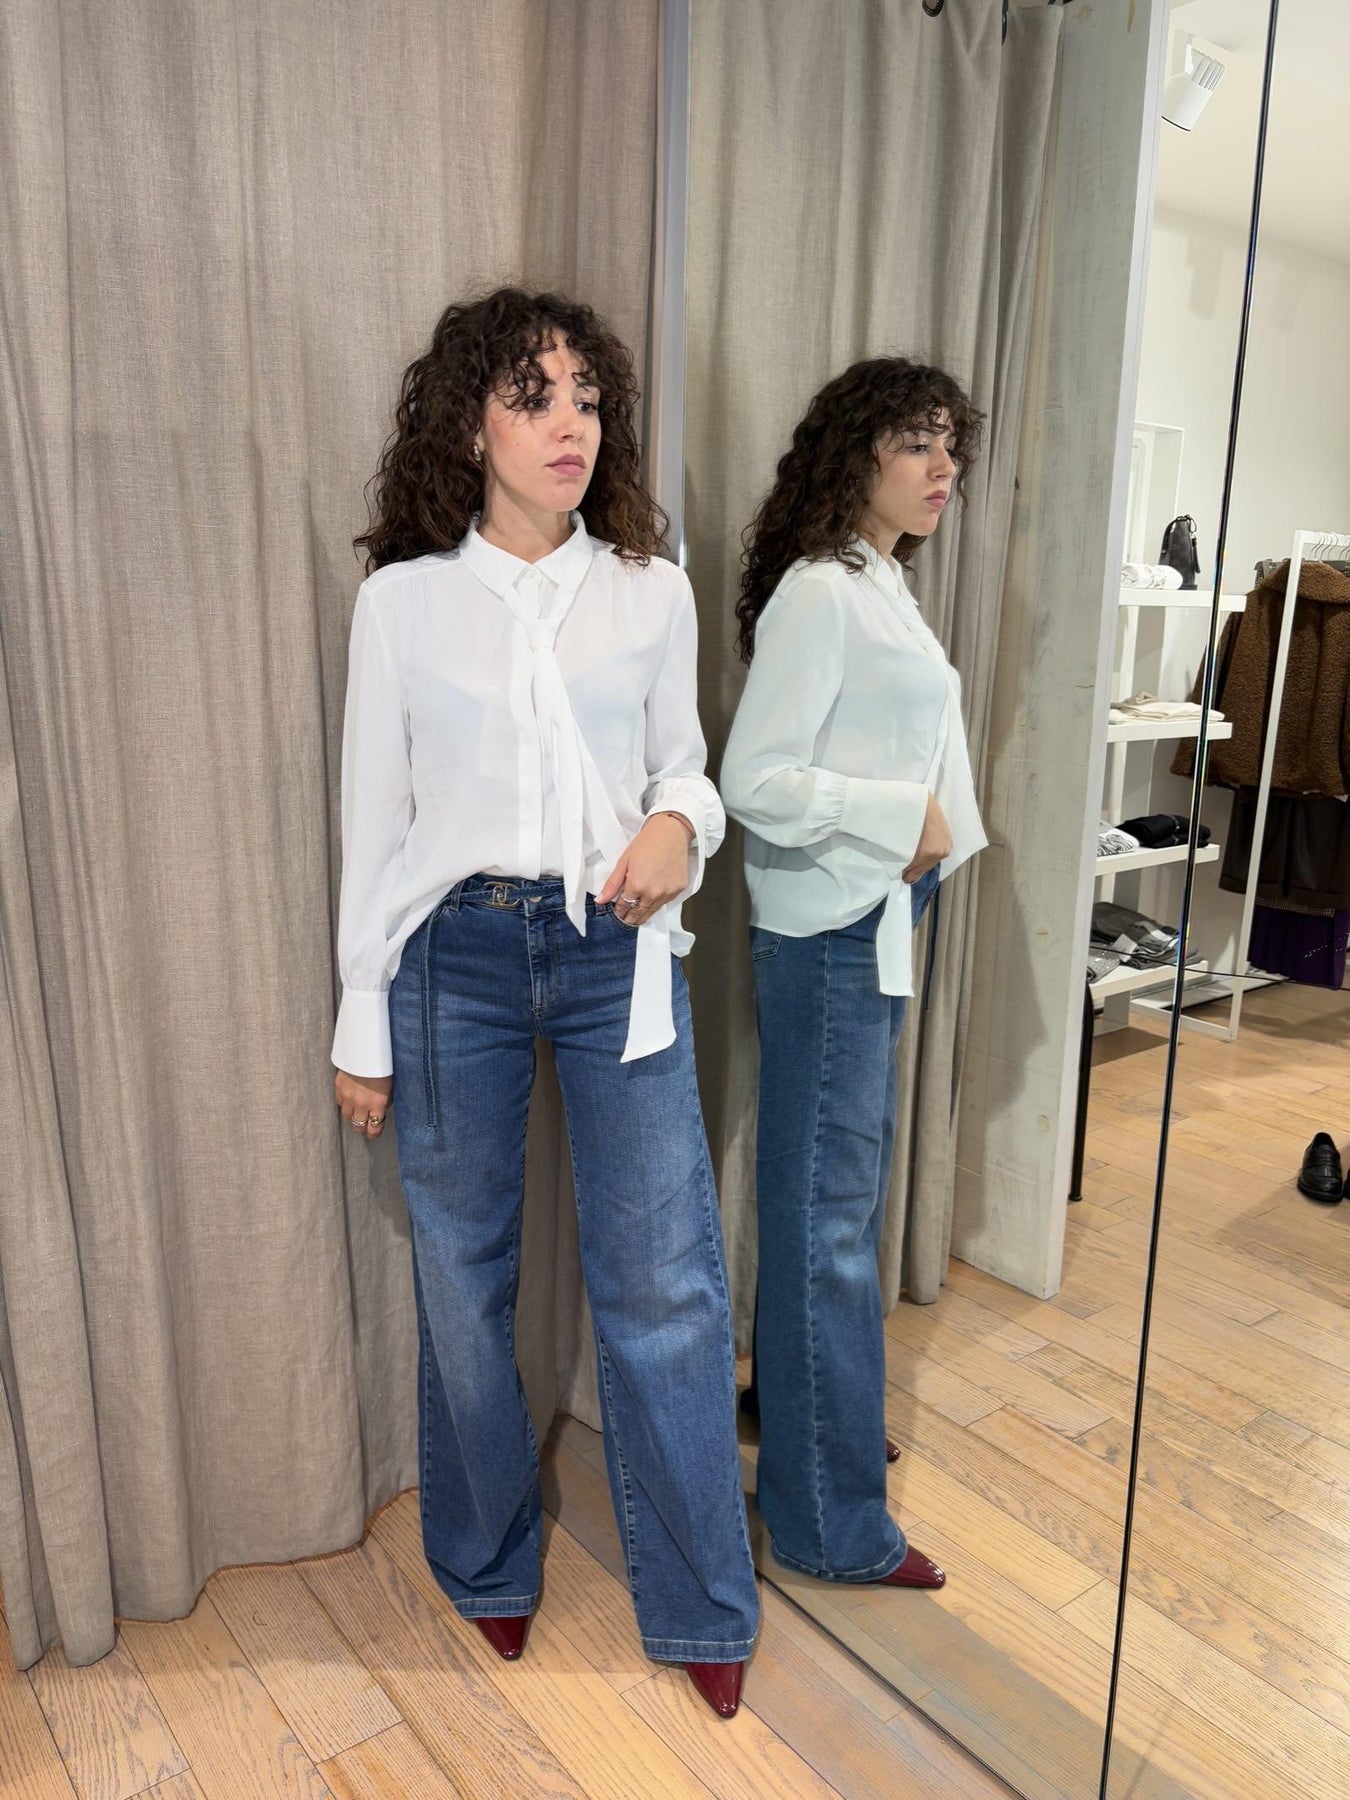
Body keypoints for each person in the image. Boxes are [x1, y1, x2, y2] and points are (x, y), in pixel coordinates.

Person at [332, 287, 758, 1719]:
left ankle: (700, 1598)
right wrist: (360, 1018)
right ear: (471, 427)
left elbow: (686, 766)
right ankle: (486, 1559)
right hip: (449, 959)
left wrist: (678, 825)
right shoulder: (402, 604)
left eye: (585, 397)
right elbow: (374, 825)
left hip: (610, 952)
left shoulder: (649, 588)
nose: (568, 422)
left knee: (665, 1282)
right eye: (532, 396)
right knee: (462, 1278)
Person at [720, 356, 987, 1588]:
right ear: (857, 452)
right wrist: (899, 817)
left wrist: (920, 847)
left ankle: (805, 1420)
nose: (945, 469)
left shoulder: (880, 581)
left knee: (827, 1203)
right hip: (832, 931)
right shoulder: (823, 591)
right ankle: (829, 1522)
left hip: (866, 917)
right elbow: (752, 780)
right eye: (918, 443)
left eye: (951, 446)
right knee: (829, 1218)